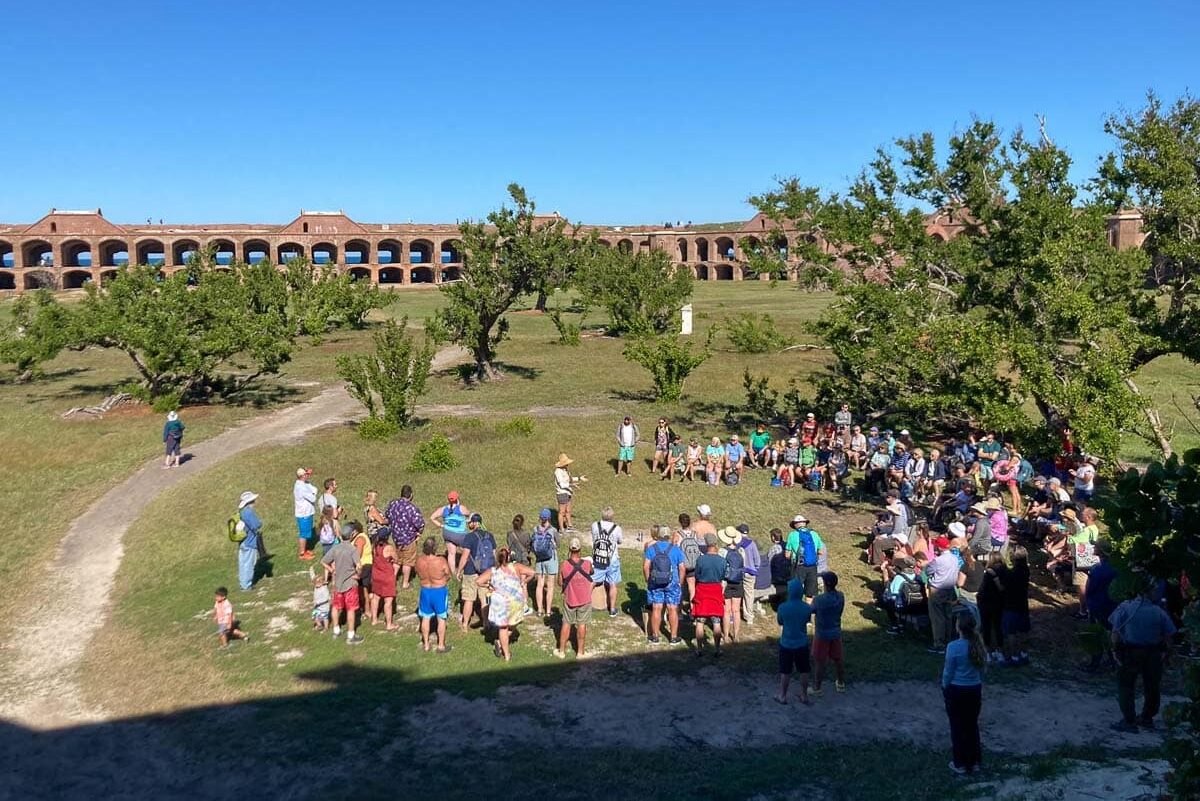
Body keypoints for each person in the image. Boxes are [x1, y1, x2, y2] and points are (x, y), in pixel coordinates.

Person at [1110, 578, 1177, 732]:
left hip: (1131, 651)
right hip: (1153, 653)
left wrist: (1115, 650)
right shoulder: (1159, 611)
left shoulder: (1125, 608)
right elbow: (1169, 637)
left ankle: (1129, 720)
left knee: (1126, 686)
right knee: (1152, 686)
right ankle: (1147, 717)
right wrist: (1167, 655)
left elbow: (1115, 633)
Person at [942, 613, 986, 775]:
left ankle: (960, 762)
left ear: (958, 627)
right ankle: (975, 761)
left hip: (957, 690)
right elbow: (982, 670)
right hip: (974, 689)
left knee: (957, 727)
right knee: (972, 725)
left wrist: (944, 686)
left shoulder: (953, 647)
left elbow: (948, 671)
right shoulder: (979, 645)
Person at [478, 548, 535, 661]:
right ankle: (505, 651)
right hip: (515, 601)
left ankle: (504, 651)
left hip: (500, 603)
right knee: (513, 624)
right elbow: (532, 573)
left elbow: (478, 581)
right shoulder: (516, 567)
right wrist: (524, 582)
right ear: (508, 557)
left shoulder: (493, 570)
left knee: (503, 627)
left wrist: (489, 586)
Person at [643, 525, 686, 645]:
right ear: (668, 536)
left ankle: (655, 636)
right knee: (672, 609)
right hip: (672, 582)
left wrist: (648, 579)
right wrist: (680, 582)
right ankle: (673, 637)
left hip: (655, 582)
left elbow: (646, 566)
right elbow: (682, 568)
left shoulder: (652, 548)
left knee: (657, 607)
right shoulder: (675, 549)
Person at [775, 578, 814, 705]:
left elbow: (780, 622)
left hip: (786, 643)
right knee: (804, 670)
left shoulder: (782, 607)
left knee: (785, 671)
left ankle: (783, 695)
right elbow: (808, 620)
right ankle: (804, 695)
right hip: (802, 643)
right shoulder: (806, 608)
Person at [322, 528, 364, 644]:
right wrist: (358, 575)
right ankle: (351, 635)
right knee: (351, 609)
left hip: (338, 583)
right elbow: (359, 566)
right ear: (351, 535)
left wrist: (332, 570)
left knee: (335, 607)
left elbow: (324, 561)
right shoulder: (352, 550)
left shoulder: (335, 548)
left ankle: (336, 630)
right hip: (350, 583)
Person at [456, 513, 495, 632]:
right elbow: (493, 555)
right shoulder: (490, 536)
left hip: (470, 571)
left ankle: (465, 625)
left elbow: (465, 555)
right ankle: (486, 623)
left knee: (469, 599)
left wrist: (459, 570)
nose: (469, 524)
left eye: (470, 522)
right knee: (484, 598)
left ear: (474, 523)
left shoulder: (469, 537)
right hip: (486, 571)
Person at [556, 537, 595, 658]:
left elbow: (559, 582)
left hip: (570, 599)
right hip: (584, 599)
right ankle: (580, 652)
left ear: (569, 549)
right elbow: (591, 572)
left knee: (566, 623)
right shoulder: (587, 564)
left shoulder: (564, 565)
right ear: (580, 549)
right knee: (582, 624)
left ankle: (561, 651)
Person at [810, 571, 847, 695]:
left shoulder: (819, 600)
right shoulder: (840, 596)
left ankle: (817, 688)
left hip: (822, 634)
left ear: (825, 584)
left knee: (820, 662)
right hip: (836, 631)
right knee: (838, 659)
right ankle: (841, 683)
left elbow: (811, 610)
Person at [692, 533, 728, 657]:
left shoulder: (701, 559)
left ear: (707, 544)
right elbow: (724, 575)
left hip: (702, 589)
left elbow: (696, 575)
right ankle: (717, 649)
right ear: (716, 544)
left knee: (700, 621)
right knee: (716, 621)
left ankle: (699, 649)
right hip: (716, 590)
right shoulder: (722, 560)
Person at [925, 535, 961, 655]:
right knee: (948, 616)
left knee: (937, 618)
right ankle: (948, 640)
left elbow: (928, 571)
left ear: (940, 548)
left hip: (937, 589)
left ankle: (939, 643)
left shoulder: (938, 560)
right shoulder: (955, 558)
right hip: (950, 589)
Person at [385, 485, 425, 591]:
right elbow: (420, 523)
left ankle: (392, 580)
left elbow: (387, 516)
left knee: (397, 560)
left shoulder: (393, 504)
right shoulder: (411, 508)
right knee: (408, 561)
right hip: (409, 539)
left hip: (396, 538)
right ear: (411, 495)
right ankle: (405, 583)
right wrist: (419, 533)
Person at [416, 537, 452, 653]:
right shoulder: (441, 561)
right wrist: (443, 580)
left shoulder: (419, 560)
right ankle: (440, 645)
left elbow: (418, 573)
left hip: (425, 590)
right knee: (441, 618)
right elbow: (448, 574)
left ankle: (426, 644)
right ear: (435, 548)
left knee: (425, 618)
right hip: (439, 591)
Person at [1000, 545, 1032, 666]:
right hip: (1023, 604)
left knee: (1011, 632)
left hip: (1010, 604)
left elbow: (1003, 587)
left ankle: (1014, 657)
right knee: (1023, 631)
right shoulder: (1026, 570)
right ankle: (1024, 654)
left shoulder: (1011, 573)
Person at [590, 507, 624, 617]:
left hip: (598, 558)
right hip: (612, 558)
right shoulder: (616, 528)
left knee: (593, 581)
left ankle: (585, 603)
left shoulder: (595, 525)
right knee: (613, 583)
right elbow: (620, 541)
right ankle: (612, 609)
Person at [785, 515, 824, 600]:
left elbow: (787, 555)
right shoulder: (814, 534)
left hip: (798, 566)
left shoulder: (792, 535)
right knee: (809, 594)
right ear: (805, 523)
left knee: (795, 592)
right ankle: (808, 611)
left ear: (795, 525)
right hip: (812, 566)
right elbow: (821, 551)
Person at [530, 508, 560, 618]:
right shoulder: (553, 530)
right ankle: (548, 611)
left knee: (539, 585)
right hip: (551, 558)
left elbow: (532, 544)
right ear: (549, 518)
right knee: (550, 586)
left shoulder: (535, 529)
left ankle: (539, 610)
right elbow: (558, 544)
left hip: (539, 559)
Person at [431, 491, 471, 571]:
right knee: (467, 552)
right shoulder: (461, 508)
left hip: (447, 533)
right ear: (457, 499)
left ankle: (452, 573)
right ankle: (467, 569)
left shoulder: (443, 509)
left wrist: (441, 525)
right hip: (460, 534)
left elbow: (432, 517)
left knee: (451, 554)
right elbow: (468, 514)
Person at [718, 526, 746, 642]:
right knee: (736, 610)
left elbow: (720, 567)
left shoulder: (722, 551)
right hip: (738, 581)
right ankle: (736, 635)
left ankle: (725, 636)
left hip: (726, 582)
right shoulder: (741, 551)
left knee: (726, 610)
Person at [978, 552, 1006, 662]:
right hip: (999, 603)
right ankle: (1000, 650)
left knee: (986, 627)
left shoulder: (989, 572)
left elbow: (983, 588)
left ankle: (988, 651)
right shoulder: (1005, 571)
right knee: (998, 627)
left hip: (987, 603)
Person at [369, 530, 399, 630]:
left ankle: (374, 619)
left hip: (376, 574)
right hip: (387, 575)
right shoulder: (389, 547)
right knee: (388, 601)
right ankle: (389, 624)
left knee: (375, 597)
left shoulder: (374, 546)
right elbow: (396, 558)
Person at [736, 524, 762, 624]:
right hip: (750, 572)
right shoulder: (752, 544)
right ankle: (749, 616)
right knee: (749, 593)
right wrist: (756, 568)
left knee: (737, 592)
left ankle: (735, 612)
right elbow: (757, 560)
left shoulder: (736, 543)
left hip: (738, 572)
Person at [236, 491, 261, 591]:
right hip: (249, 541)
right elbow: (256, 525)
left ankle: (243, 584)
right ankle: (247, 585)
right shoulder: (248, 512)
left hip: (242, 541)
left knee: (243, 563)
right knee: (249, 564)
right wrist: (260, 522)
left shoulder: (241, 512)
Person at [676, 512, 702, 606]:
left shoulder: (677, 534)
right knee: (692, 588)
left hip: (682, 564)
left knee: (680, 587)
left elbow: (674, 548)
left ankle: (679, 610)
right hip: (694, 564)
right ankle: (693, 609)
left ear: (680, 522)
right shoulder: (694, 534)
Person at [293, 467, 318, 560]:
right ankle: (302, 553)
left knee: (306, 532)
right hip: (304, 514)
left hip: (307, 512)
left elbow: (314, 489)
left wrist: (312, 493)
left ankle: (305, 549)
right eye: (306, 474)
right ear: (302, 476)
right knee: (304, 534)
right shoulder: (301, 487)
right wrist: (313, 494)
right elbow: (313, 498)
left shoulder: (303, 483)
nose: (308, 475)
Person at [553, 453, 578, 529]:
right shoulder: (558, 472)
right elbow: (562, 484)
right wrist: (572, 485)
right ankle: (562, 529)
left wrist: (579, 478)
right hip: (562, 493)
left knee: (568, 510)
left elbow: (569, 479)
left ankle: (570, 526)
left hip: (568, 492)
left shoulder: (566, 470)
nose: (567, 465)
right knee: (562, 512)